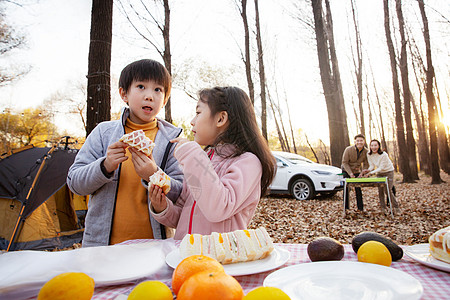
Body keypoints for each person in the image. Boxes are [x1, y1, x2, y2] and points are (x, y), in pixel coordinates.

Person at [67, 59, 183, 247]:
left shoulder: (173, 141)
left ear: (165, 99)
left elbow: (181, 195)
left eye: (158, 90)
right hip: (103, 248)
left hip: (154, 248)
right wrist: (105, 166)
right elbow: (75, 184)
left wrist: (154, 174)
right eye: (141, 86)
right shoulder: (104, 133)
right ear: (124, 94)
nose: (149, 96)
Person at [149, 86, 276, 240]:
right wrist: (163, 207)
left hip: (220, 258)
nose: (192, 122)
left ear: (221, 119)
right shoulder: (202, 159)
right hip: (187, 255)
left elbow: (218, 208)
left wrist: (192, 153)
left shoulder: (248, 162)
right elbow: (184, 216)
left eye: (198, 113)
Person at [363, 139, 400, 214]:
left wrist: (370, 173)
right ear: (370, 146)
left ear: (379, 146)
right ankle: (383, 208)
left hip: (388, 172)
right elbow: (372, 165)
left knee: (387, 190)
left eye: (375, 145)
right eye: (372, 145)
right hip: (379, 173)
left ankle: (396, 207)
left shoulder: (384, 155)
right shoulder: (369, 154)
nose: (374, 147)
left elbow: (381, 168)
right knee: (380, 191)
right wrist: (368, 170)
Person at [341, 134, 369, 211]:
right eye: (358, 141)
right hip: (346, 170)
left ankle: (360, 208)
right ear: (355, 141)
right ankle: (346, 208)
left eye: (361, 140)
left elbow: (366, 163)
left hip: (357, 171)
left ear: (364, 141)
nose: (359, 142)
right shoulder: (348, 149)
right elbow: (344, 162)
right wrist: (350, 173)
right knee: (346, 188)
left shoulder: (366, 151)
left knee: (358, 188)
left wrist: (363, 172)